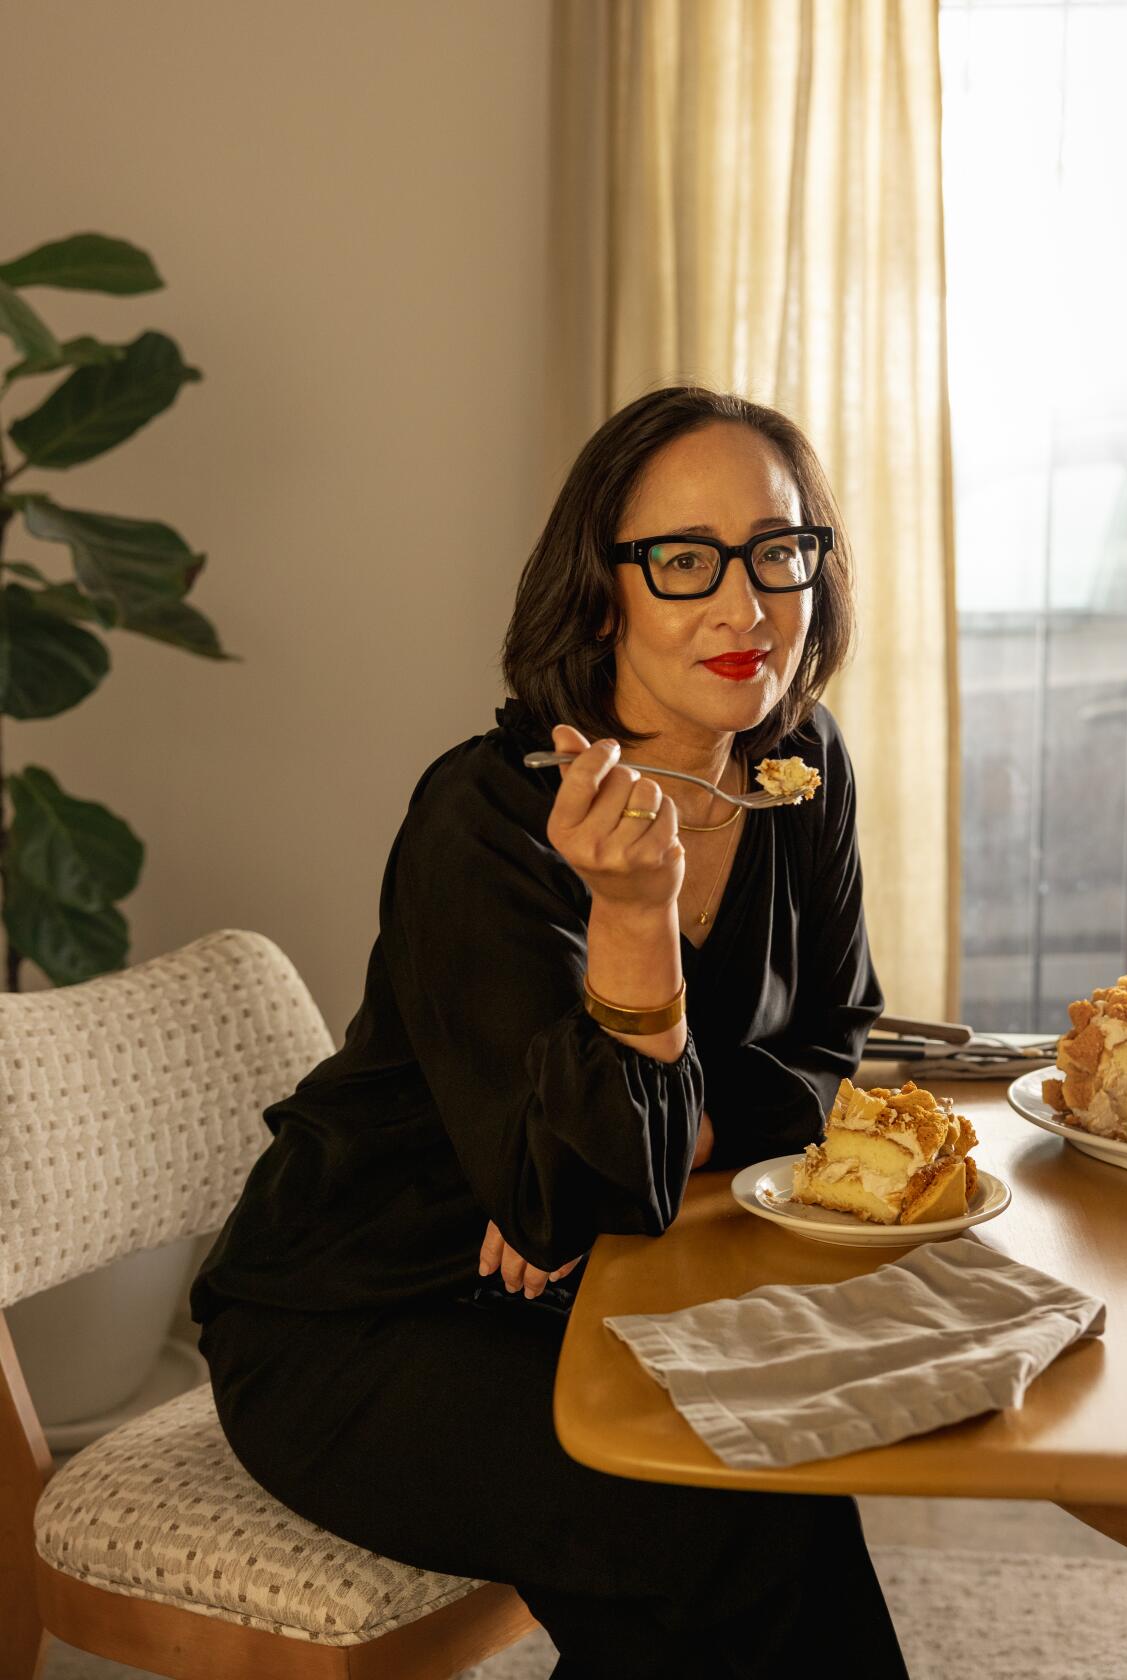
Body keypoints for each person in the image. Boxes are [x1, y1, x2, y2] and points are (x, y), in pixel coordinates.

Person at [190, 385, 909, 1678]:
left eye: (779, 550)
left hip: (595, 1289)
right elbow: (593, 1189)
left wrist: (666, 1127)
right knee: (740, 1533)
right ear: (602, 590)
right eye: (686, 561)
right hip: (375, 1316)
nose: (747, 606)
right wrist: (635, 921)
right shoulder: (489, 817)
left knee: (728, 1556)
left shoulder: (805, 769)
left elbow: (840, 1045)